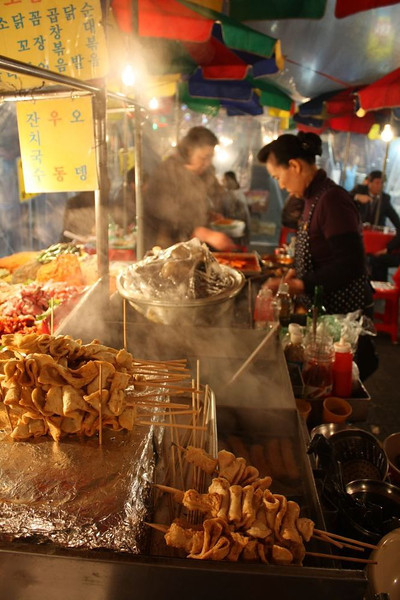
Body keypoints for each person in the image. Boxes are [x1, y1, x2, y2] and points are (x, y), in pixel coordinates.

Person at [257, 131, 377, 380]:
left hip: (345, 321)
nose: (281, 185)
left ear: (294, 165)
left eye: (278, 177)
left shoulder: (332, 199)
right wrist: (295, 272)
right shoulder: (314, 197)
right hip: (327, 313)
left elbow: (351, 264)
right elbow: (322, 252)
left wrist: (300, 284)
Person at [143, 127, 235, 252]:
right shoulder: (166, 173)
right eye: (203, 158)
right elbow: (164, 214)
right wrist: (201, 232)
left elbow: (190, 207)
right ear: (188, 151)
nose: (207, 163)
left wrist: (207, 215)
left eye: (210, 158)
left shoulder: (200, 175)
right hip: (163, 248)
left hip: (189, 248)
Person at [351, 170, 400, 281]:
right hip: (358, 239)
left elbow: (397, 223)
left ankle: (378, 289)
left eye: (382, 183)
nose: (380, 186)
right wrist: (357, 197)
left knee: (379, 261)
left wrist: (388, 249)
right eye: (377, 183)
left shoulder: (385, 199)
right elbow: (344, 198)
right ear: (369, 182)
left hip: (376, 245)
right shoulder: (359, 190)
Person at [222, 171, 251, 246]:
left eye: (224, 180)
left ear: (229, 180)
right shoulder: (236, 193)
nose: (222, 182)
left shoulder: (234, 195)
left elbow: (232, 215)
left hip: (237, 233)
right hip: (238, 232)